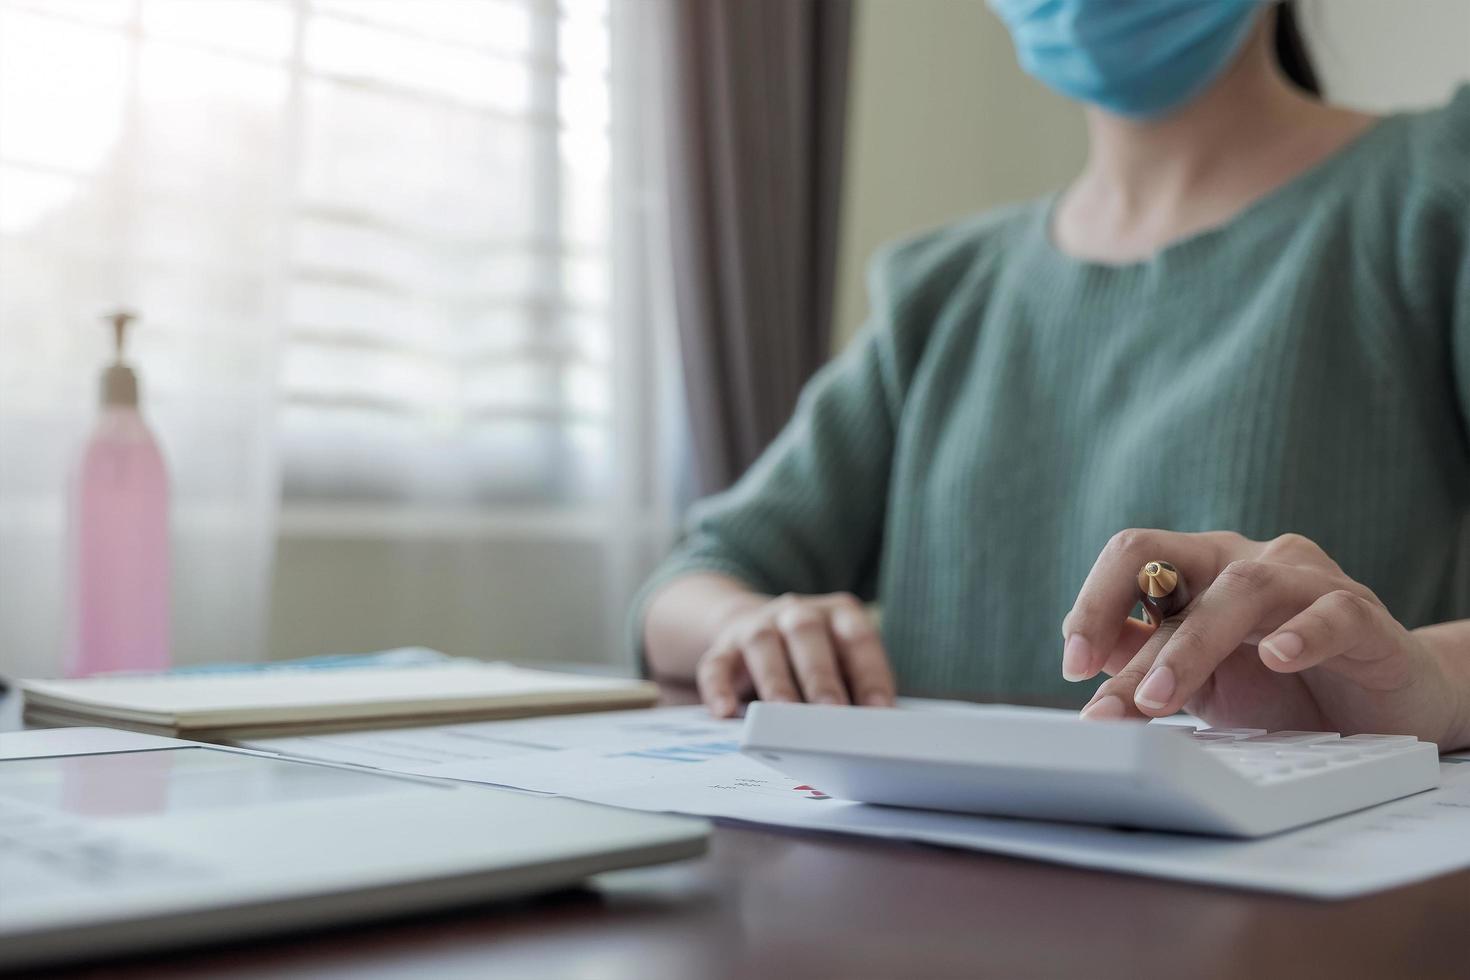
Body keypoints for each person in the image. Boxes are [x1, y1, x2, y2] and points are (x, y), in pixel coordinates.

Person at [636, 0, 1470, 749]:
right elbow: (690, 583)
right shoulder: (939, 291)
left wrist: (1426, 683)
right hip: (932, 892)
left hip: (1299, 904)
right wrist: (750, 627)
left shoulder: (1436, 198)